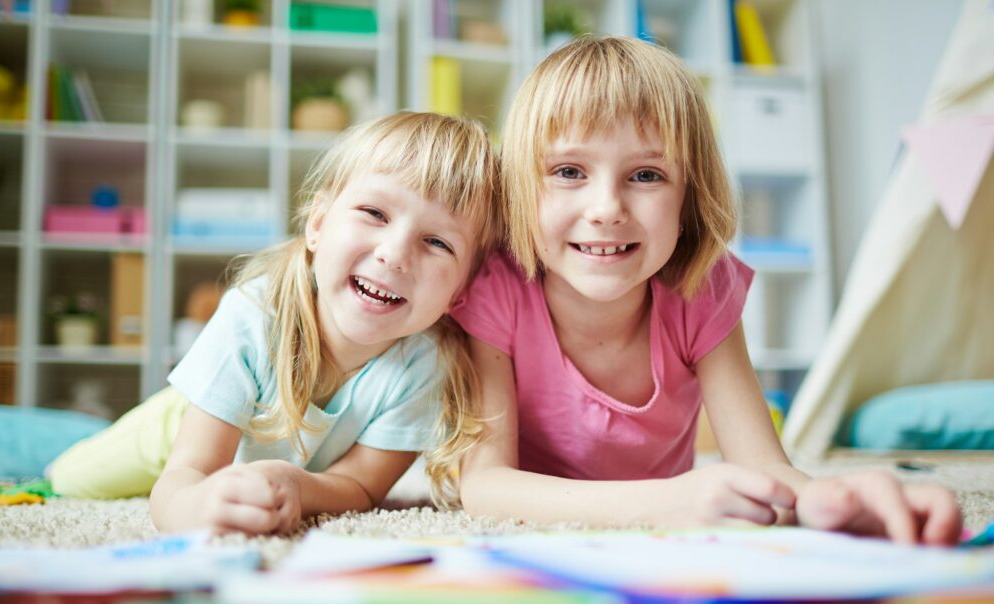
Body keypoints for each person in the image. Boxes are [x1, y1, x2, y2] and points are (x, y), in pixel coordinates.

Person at [450, 36, 962, 545]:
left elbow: (764, 467)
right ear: (520, 187)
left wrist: (842, 503)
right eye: (568, 172)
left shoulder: (702, 288)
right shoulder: (498, 286)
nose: (606, 208)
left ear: (689, 198)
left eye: (646, 174)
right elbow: (484, 485)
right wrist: (664, 502)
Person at [49, 112, 502, 535]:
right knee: (68, 479)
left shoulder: (425, 363)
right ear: (318, 224)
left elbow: (362, 487)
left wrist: (295, 484)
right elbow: (186, 473)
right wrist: (197, 505)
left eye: (437, 242)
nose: (395, 254)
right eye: (375, 214)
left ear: (460, 293)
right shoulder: (253, 315)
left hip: (276, 457)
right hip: (182, 424)